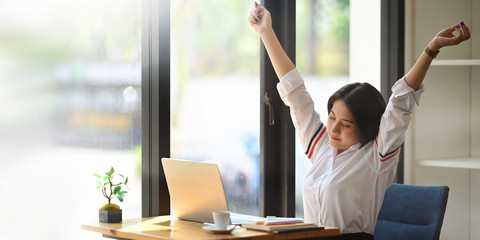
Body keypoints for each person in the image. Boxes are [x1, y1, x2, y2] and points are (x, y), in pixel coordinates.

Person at [248, 2, 470, 240]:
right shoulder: (321, 147)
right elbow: (295, 92)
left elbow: (400, 102)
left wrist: (431, 49)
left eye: (346, 124)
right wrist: (266, 32)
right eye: (332, 116)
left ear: (366, 127)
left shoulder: (376, 158)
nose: (333, 128)